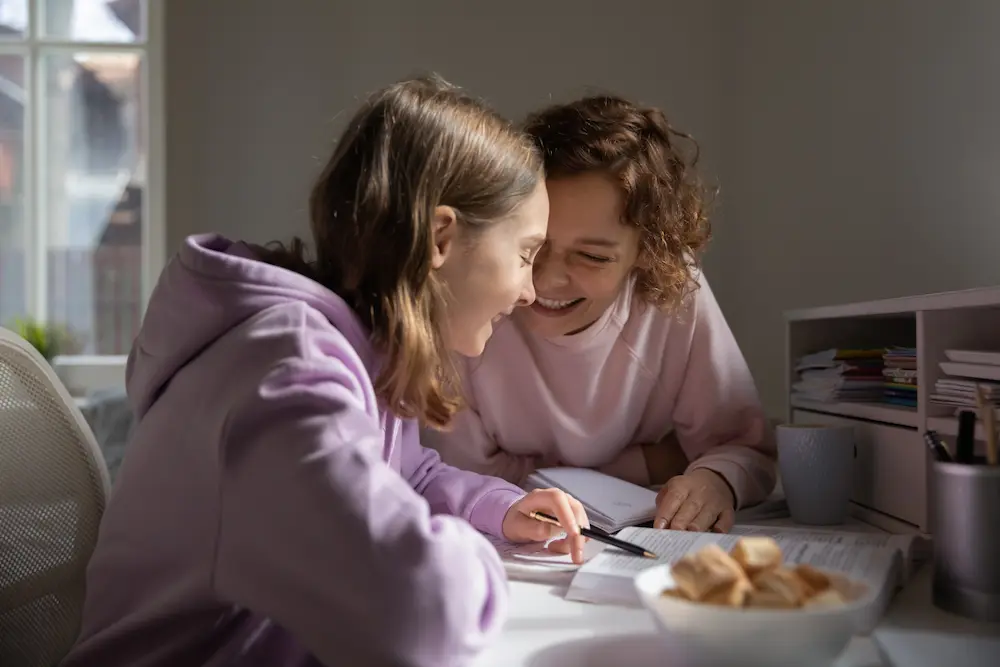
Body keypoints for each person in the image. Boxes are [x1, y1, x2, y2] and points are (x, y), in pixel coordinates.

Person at [61, 75, 589, 667]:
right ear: (440, 236)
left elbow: (403, 478)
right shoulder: (288, 378)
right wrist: (475, 558)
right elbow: (419, 615)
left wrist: (494, 506)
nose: (529, 291)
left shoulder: (351, 350)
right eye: (524, 255)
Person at [424, 95, 776, 534]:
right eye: (533, 248)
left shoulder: (671, 291)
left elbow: (742, 445)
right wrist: (653, 460)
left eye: (592, 256)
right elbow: (458, 474)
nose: (546, 282)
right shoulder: (478, 300)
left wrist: (714, 478)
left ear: (647, 254)